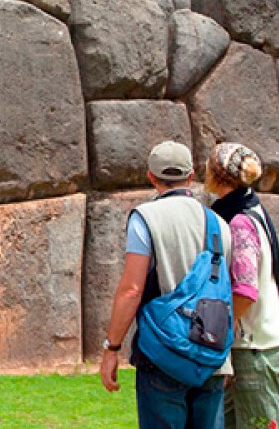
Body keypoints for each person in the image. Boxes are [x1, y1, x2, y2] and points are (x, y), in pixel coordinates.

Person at [100, 141, 233, 429]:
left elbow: (132, 289)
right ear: (192, 175)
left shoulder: (144, 219)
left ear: (151, 176)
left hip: (163, 354)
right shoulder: (220, 224)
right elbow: (226, 293)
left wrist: (112, 348)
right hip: (211, 354)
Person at [206, 143, 279, 429]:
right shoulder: (250, 208)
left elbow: (245, 291)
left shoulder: (240, 221)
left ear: (218, 177)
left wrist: (220, 333)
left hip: (252, 348)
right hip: (255, 343)